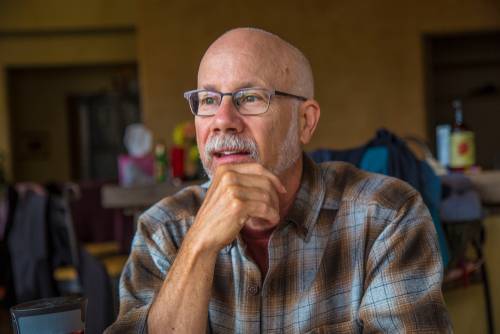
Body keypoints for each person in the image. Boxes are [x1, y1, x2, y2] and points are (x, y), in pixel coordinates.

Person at [105, 28, 453, 333]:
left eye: (250, 98)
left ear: (305, 122)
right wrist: (199, 246)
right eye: (209, 100)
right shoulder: (162, 230)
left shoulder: (387, 217)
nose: (223, 121)